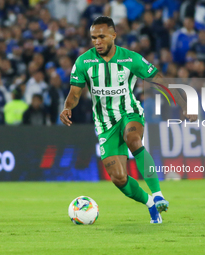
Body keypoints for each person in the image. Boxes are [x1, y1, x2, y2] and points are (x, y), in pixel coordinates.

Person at [60, 16, 196, 224]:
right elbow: (75, 94)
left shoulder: (130, 59)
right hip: (105, 124)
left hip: (130, 113)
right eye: (93, 37)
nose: (97, 41)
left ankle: (158, 194)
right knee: (119, 177)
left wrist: (183, 103)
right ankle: (151, 204)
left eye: (102, 36)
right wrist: (67, 108)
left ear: (113, 36)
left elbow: (159, 80)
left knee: (133, 139)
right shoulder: (83, 62)